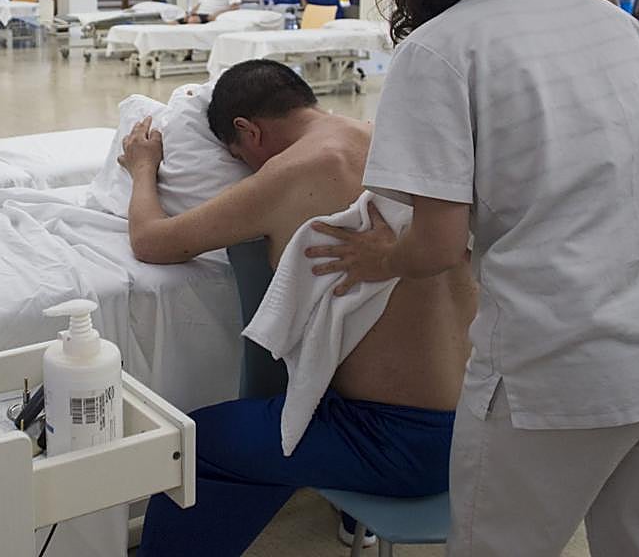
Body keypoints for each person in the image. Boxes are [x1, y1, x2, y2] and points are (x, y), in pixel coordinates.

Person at [304, 0, 639, 557]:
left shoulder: (441, 48)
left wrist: (378, 258)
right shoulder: (615, 23)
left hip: (565, 358)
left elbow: (436, 246)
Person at [120, 59, 476, 556]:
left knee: (194, 446)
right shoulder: (387, 141)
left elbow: (151, 241)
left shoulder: (294, 171)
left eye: (238, 154)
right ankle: (347, 515)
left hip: (404, 444)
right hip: (480, 422)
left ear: (249, 130)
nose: (246, 166)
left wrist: (142, 168)